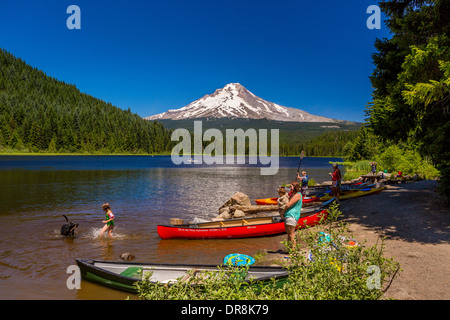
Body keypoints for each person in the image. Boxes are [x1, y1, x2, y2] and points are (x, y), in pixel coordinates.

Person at [283, 181, 303, 251]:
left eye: (291, 186)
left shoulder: (298, 195)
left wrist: (283, 209)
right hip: (288, 215)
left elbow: (288, 204)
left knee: (291, 234)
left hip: (292, 215)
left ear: (295, 186)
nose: (290, 187)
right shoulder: (294, 195)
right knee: (289, 234)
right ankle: (289, 250)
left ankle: (293, 251)